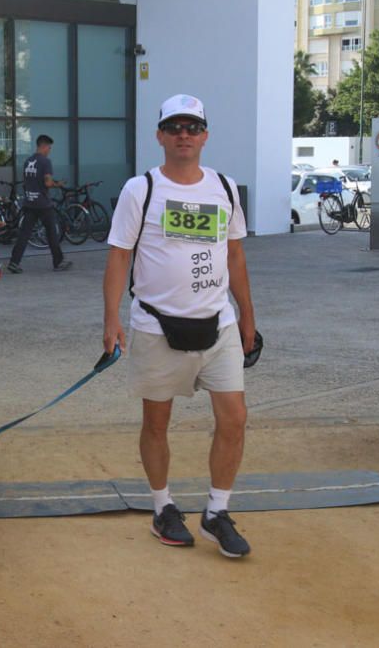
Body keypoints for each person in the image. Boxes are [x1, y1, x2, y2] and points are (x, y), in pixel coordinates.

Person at [102, 94, 257, 558]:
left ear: (205, 135)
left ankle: (216, 512)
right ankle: (163, 506)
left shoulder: (225, 188)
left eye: (192, 127)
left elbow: (234, 255)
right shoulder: (140, 189)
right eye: (175, 127)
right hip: (155, 326)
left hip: (219, 323)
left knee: (235, 418)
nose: (184, 134)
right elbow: (119, 255)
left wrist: (247, 314)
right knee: (157, 421)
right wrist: (111, 318)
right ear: (160, 136)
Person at [7, 134, 72, 274]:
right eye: (49, 147)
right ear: (43, 146)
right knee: (52, 233)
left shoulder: (27, 161)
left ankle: (14, 262)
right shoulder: (45, 162)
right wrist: (57, 184)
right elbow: (48, 182)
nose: (49, 150)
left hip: (29, 202)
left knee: (24, 234)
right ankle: (58, 262)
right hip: (43, 204)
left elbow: (27, 183)